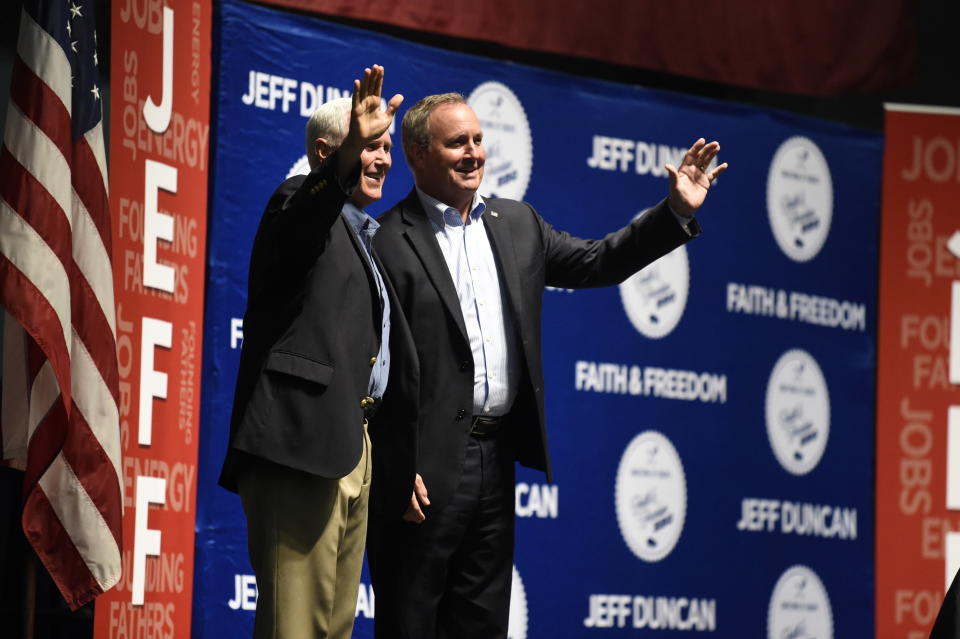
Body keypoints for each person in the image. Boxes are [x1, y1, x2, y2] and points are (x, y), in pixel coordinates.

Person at [367, 92, 728, 639]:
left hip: (495, 460)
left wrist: (674, 212)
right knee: (410, 622)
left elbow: (597, 261)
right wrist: (394, 462)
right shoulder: (388, 240)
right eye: (456, 142)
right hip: (421, 472)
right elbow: (370, 366)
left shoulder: (517, 223)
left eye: (478, 140)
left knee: (481, 623)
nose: (473, 153)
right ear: (417, 155)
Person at [218, 65, 403, 639]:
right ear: (330, 150)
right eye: (371, 145)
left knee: (333, 628)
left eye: (386, 147)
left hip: (351, 448)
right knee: (294, 628)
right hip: (298, 444)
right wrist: (343, 163)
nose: (383, 159)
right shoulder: (296, 202)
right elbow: (305, 222)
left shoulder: (365, 237)